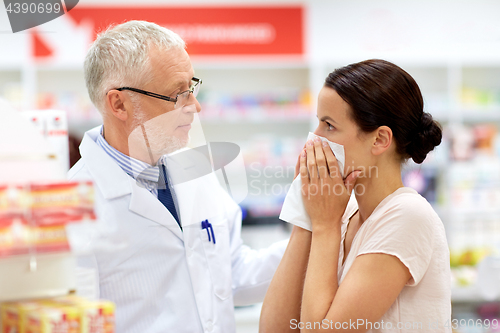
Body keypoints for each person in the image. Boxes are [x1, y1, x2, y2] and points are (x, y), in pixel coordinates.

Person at [68, 20, 286, 333]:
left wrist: (317, 231)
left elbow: (233, 275)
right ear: (119, 104)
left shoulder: (194, 170)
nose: (194, 106)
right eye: (176, 95)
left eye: (191, 87)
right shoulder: (75, 207)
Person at [260, 59, 451, 332]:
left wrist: (325, 225)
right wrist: (305, 216)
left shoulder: (408, 215)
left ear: (379, 140)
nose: (313, 139)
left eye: (329, 125)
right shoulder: (343, 211)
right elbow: (274, 329)